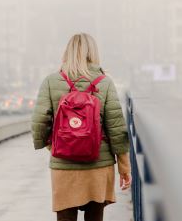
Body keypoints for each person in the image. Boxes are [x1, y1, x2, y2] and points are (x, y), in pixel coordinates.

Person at [31, 33, 131, 221]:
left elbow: (39, 122)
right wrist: (124, 168)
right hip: (98, 166)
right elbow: (117, 128)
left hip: (64, 168)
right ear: (93, 53)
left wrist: (55, 148)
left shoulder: (51, 82)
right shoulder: (105, 82)